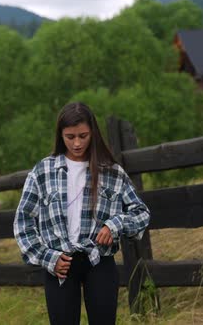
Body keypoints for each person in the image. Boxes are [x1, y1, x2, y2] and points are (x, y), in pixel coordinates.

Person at [13, 102, 150, 324]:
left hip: (100, 260)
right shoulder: (42, 171)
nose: (77, 143)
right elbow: (23, 223)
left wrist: (114, 225)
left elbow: (141, 213)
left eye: (83, 136)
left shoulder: (111, 172)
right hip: (60, 263)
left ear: (93, 133)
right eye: (70, 137)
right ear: (60, 135)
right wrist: (48, 257)